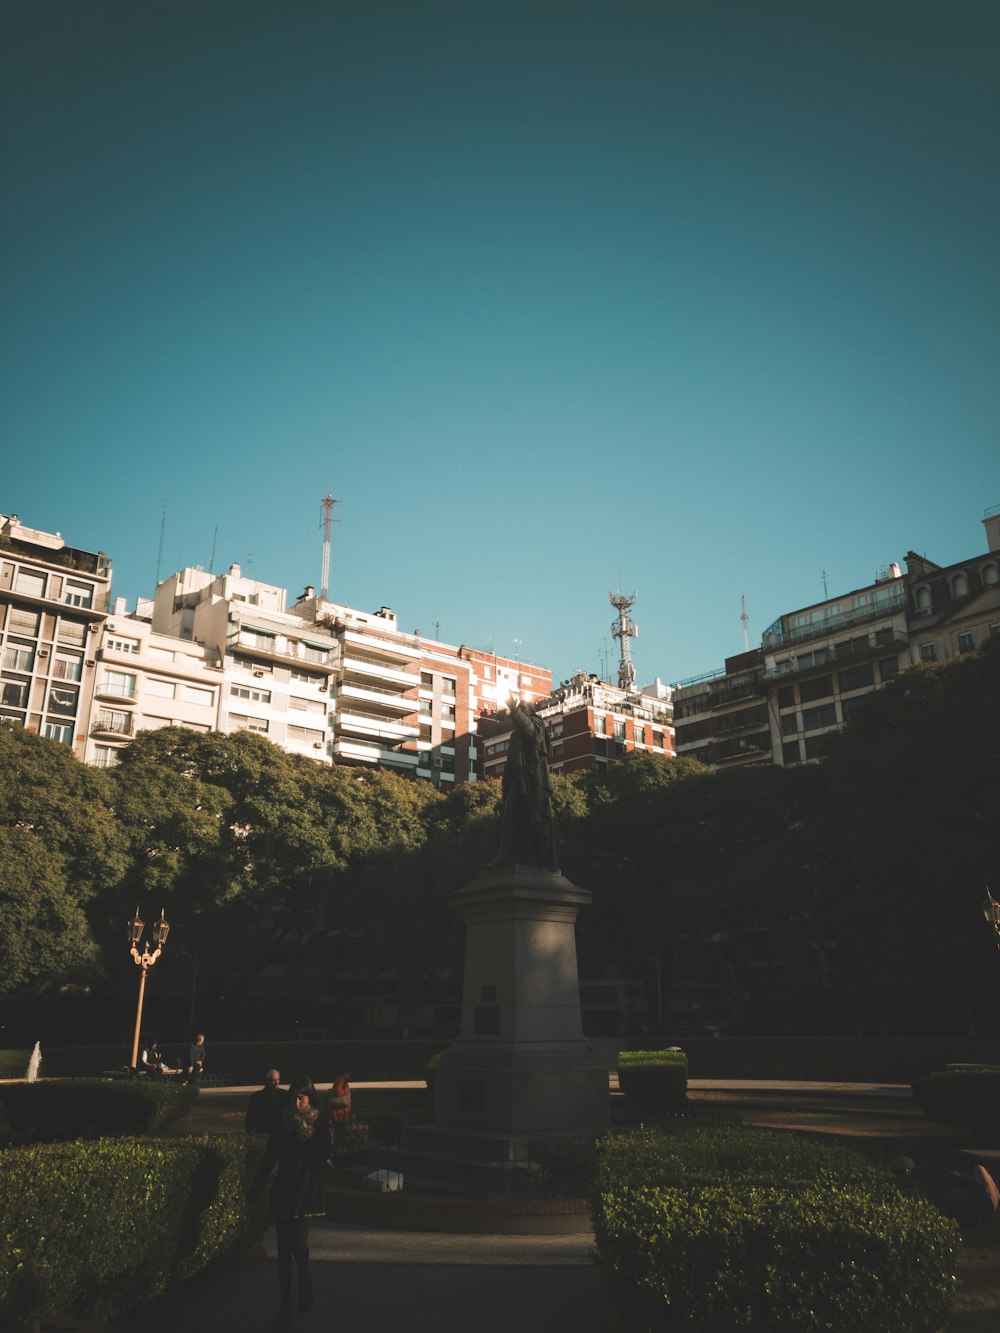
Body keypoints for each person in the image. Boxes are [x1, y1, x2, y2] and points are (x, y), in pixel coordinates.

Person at [251, 1075, 332, 1330]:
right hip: (284, 1187)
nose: (298, 1102)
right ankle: (285, 1305)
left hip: (306, 1189)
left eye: (302, 1097)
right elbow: (270, 1155)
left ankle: (305, 1277)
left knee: (298, 1243)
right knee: (283, 1251)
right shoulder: (283, 1119)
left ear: (309, 1097)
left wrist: (306, 1133)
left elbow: (325, 1152)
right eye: (295, 1096)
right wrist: (256, 1188)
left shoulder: (318, 1119)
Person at [491, 696, 558, 868]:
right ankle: (506, 855)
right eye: (518, 708)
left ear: (530, 711)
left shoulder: (537, 723)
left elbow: (531, 733)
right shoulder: (516, 733)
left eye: (522, 708)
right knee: (510, 817)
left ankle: (531, 857)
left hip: (532, 780)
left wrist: (514, 710)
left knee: (530, 819)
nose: (519, 711)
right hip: (518, 779)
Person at [246, 1069, 285, 1135]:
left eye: (278, 1080)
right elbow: (250, 1117)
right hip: (262, 1133)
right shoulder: (256, 1097)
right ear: (267, 1080)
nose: (276, 1083)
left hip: (280, 1133)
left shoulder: (285, 1095)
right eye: (273, 1080)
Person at [327, 1070, 351, 1150]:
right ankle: (337, 1150)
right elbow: (338, 1092)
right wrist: (346, 1091)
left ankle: (337, 1149)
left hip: (340, 1113)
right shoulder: (341, 1080)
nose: (349, 1075)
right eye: (348, 1073)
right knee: (339, 1133)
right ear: (345, 1073)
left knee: (339, 1133)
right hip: (340, 1114)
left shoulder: (340, 1080)